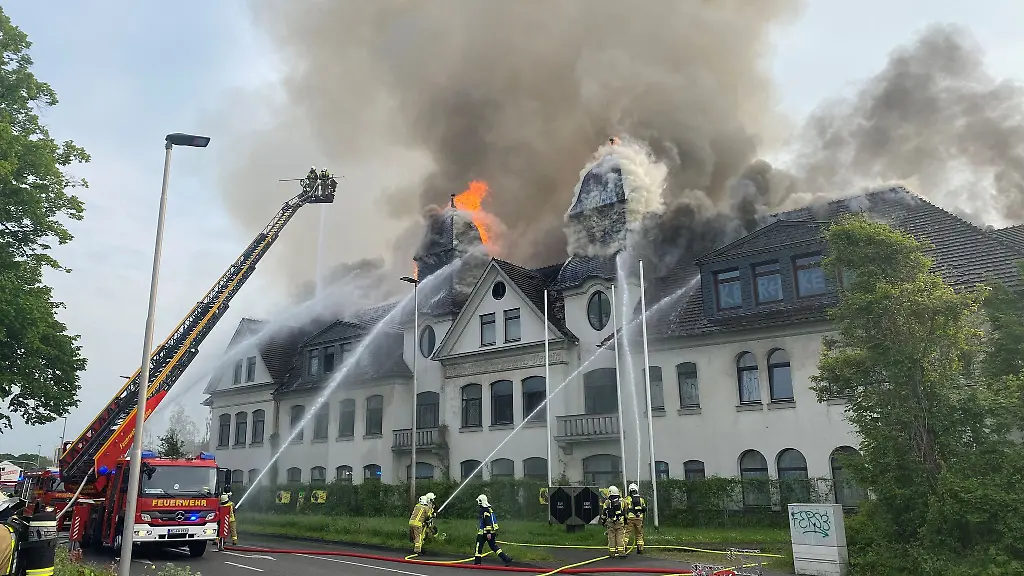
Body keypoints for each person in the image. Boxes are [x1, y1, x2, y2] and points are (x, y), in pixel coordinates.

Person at [474, 494, 511, 566]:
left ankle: (477, 563)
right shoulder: (489, 509)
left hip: (484, 533)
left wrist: (488, 533)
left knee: (478, 547)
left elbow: (487, 521)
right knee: (494, 547)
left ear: (480, 502)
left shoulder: (484, 510)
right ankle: (506, 559)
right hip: (492, 532)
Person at [600, 485, 626, 558]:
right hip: (620, 522)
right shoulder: (622, 501)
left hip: (610, 522)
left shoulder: (607, 502)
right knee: (620, 537)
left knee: (611, 538)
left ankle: (612, 553)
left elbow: (604, 513)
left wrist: (603, 521)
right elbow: (625, 511)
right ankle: (621, 552)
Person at [625, 483, 647, 554]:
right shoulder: (641, 499)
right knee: (639, 534)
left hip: (630, 518)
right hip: (639, 519)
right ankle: (640, 549)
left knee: (627, 533)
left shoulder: (627, 499)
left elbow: (625, 508)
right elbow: (644, 509)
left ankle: (623, 548)